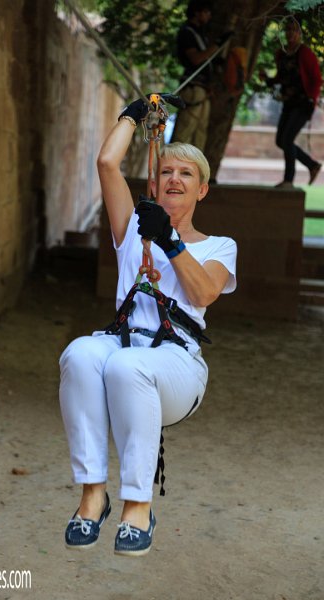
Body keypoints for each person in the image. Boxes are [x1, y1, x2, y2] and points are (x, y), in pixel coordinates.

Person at [58, 97, 237, 557]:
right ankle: (92, 494)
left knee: (126, 367)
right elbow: (106, 162)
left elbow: (202, 294)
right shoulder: (132, 230)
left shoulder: (219, 246)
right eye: (167, 172)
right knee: (80, 352)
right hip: (123, 346)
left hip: (176, 367)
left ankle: (138, 503)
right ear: (154, 183)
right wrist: (133, 115)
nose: (174, 178)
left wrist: (171, 239)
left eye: (187, 174)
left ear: (202, 191)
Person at [260, 18, 322, 189]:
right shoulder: (281, 54)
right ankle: (312, 165)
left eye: (294, 30)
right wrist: (268, 79)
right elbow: (281, 78)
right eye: (288, 30)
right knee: (280, 140)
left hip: (303, 103)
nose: (290, 33)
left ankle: (288, 180)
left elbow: (317, 80)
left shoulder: (305, 53)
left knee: (287, 139)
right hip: (289, 103)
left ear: (299, 33)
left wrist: (312, 99)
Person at [170, 0, 233, 150]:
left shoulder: (199, 33)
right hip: (193, 88)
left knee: (200, 133)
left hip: (204, 89)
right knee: (184, 132)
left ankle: (197, 170)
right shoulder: (187, 32)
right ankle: (172, 166)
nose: (209, 16)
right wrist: (218, 44)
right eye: (206, 12)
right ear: (197, 13)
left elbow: (205, 58)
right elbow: (197, 58)